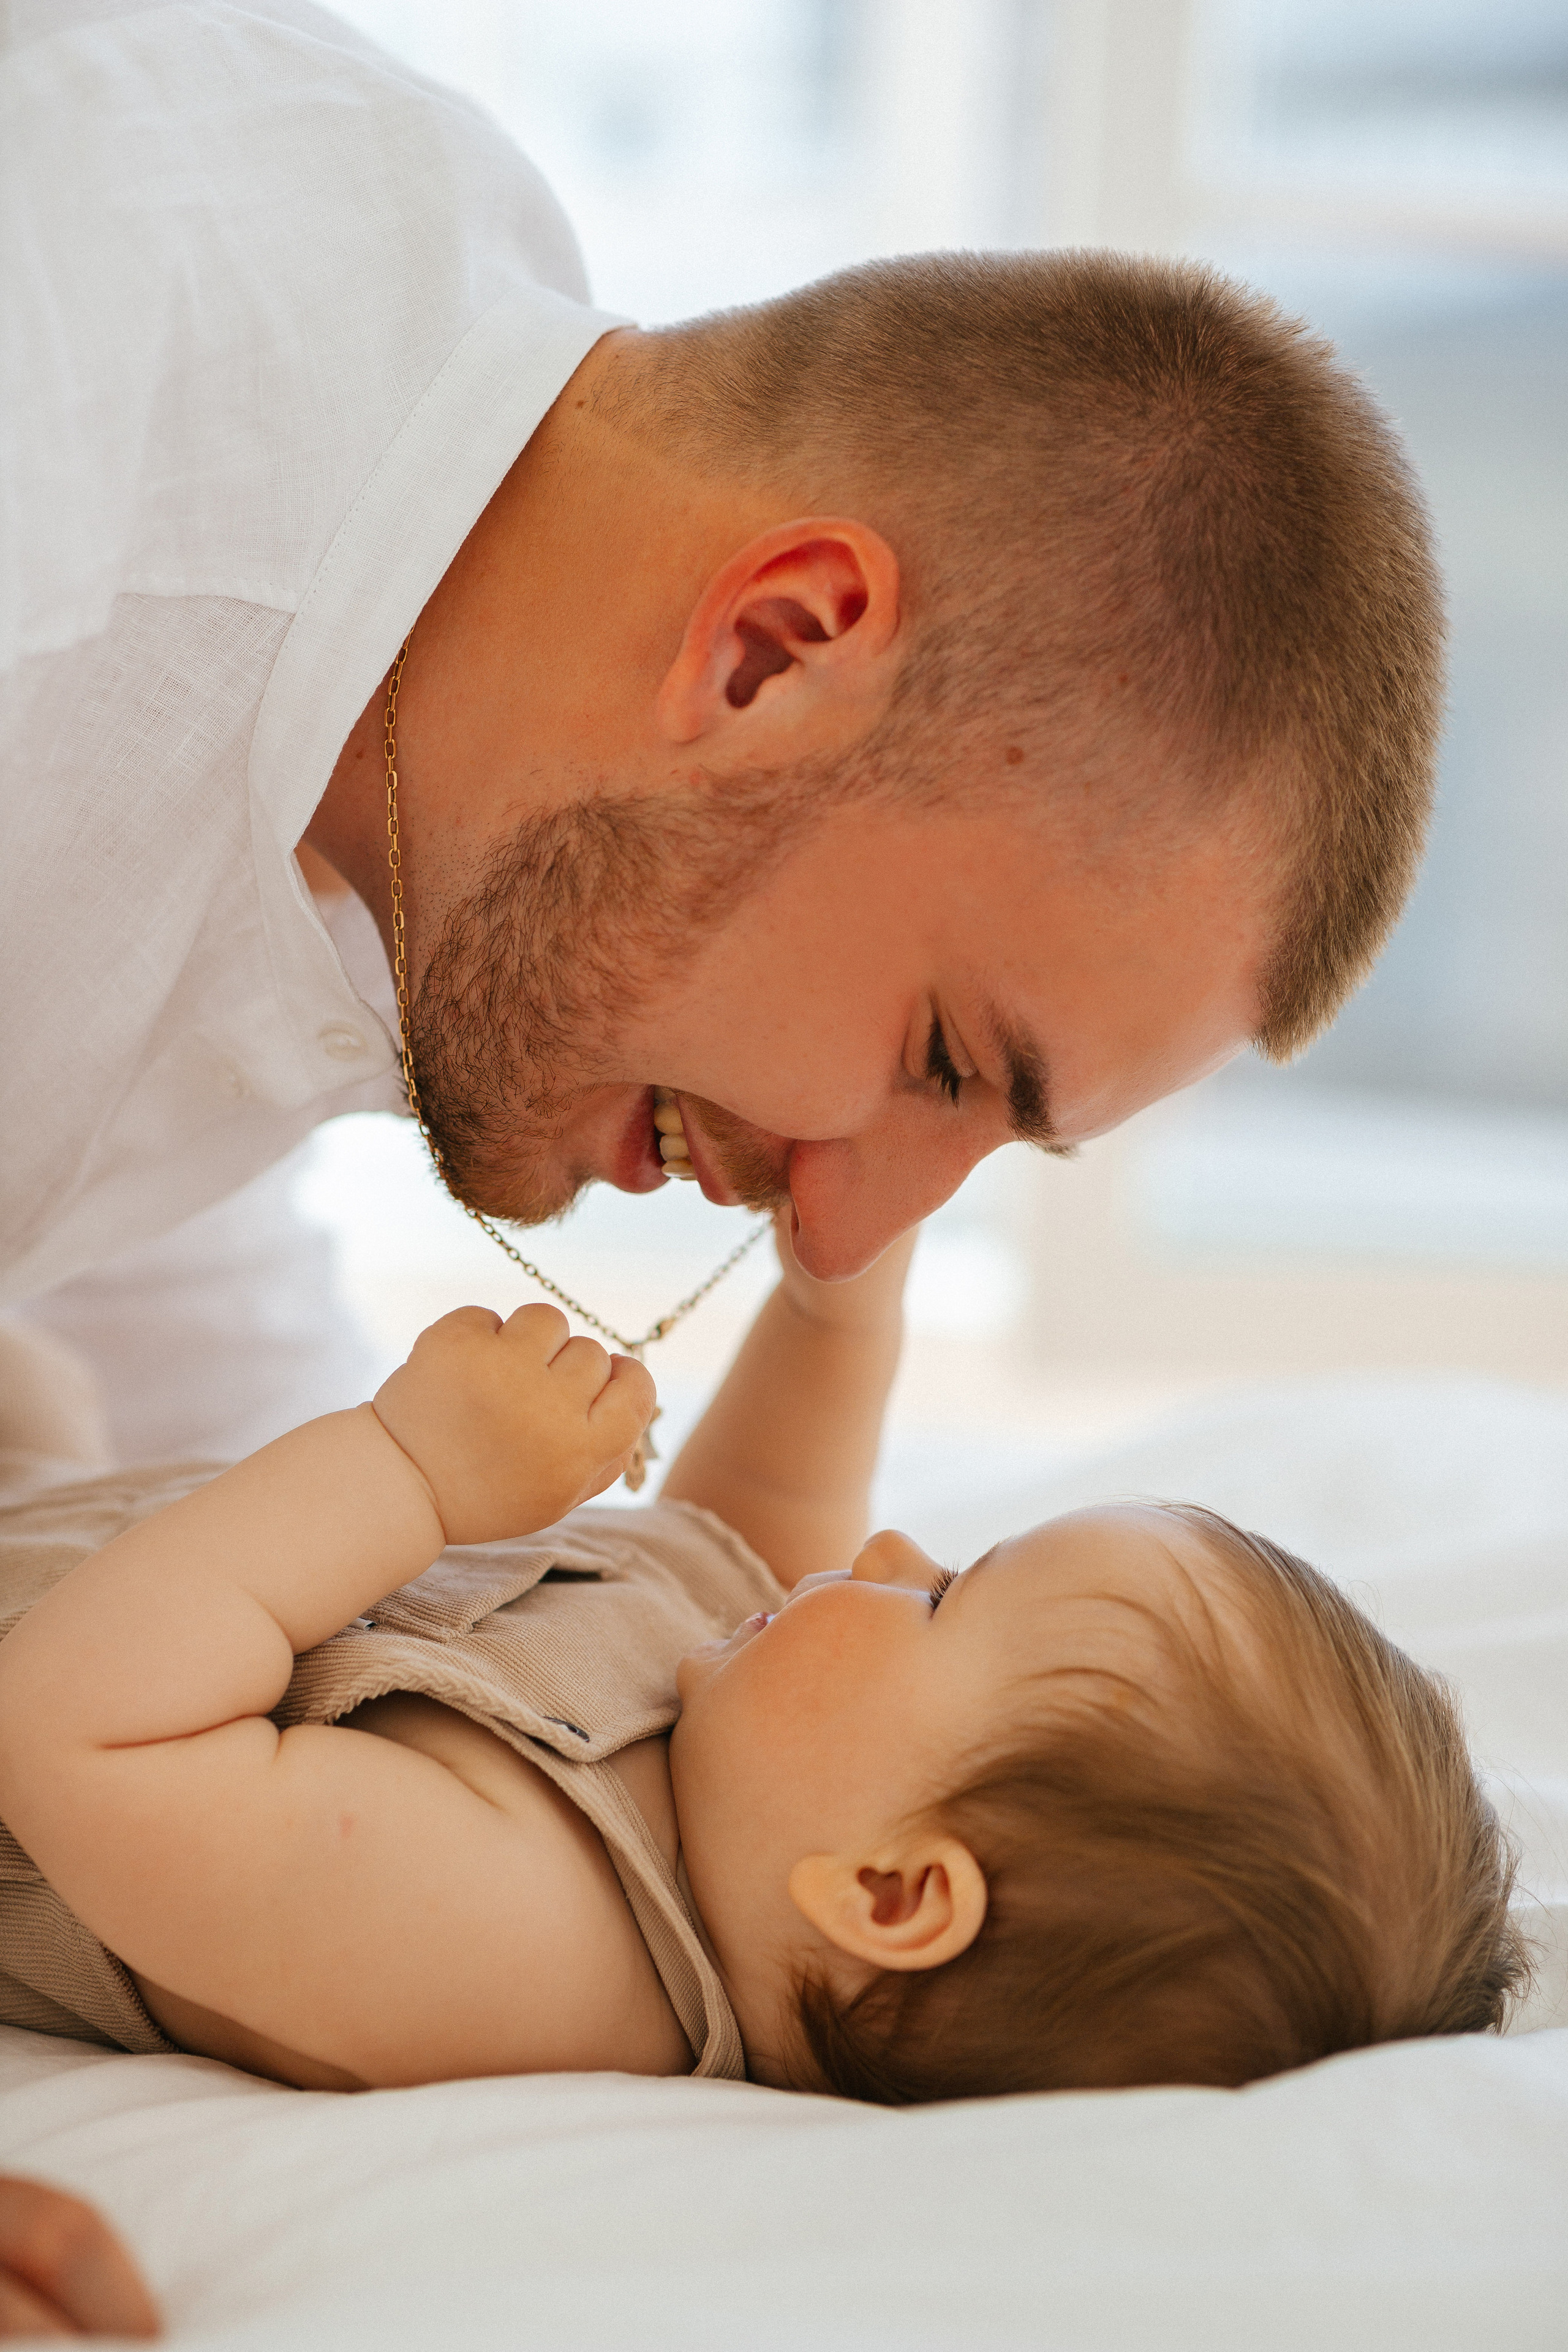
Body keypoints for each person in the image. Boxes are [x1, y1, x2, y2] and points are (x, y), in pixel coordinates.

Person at [1, 0, 1449, 2320]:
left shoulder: (446, 639)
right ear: (773, 648)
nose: (840, 1217)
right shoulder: (66, 498)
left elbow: (148, 1240)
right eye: (943, 1059)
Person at [0, 1222, 1523, 2128]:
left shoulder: (523, 1944)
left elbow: (84, 1736)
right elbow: (747, 1534)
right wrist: (836, 1305)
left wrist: (409, 1471)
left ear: (888, 1895)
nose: (891, 1548)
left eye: (939, 1603)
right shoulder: (765, 1772)